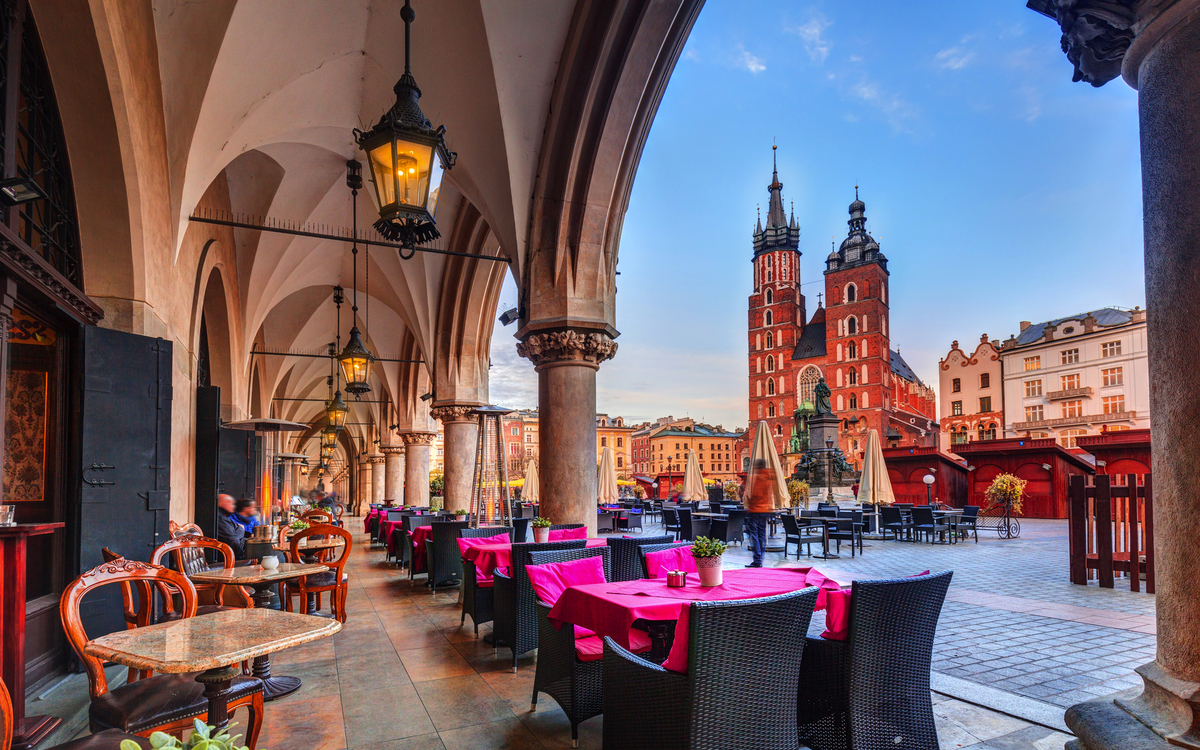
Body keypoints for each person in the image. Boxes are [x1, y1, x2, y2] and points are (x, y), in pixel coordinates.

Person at [745, 459, 776, 568]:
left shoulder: (756, 478)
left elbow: (752, 495)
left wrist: (748, 502)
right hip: (765, 509)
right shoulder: (769, 477)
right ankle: (760, 558)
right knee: (762, 534)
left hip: (755, 510)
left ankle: (757, 559)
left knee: (754, 534)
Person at [216, 493, 246, 558]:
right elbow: (236, 546)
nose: (234, 506)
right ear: (224, 505)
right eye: (231, 504)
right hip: (229, 558)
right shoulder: (221, 519)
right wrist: (248, 540)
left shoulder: (224, 518)